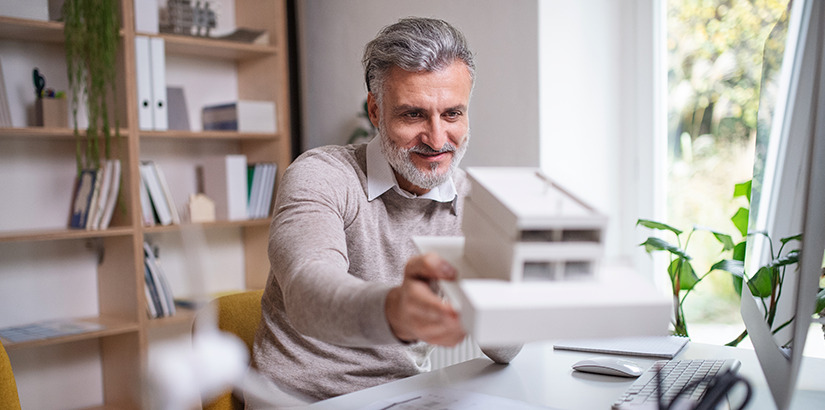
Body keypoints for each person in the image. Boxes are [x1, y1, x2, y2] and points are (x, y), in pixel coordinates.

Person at [249, 17, 522, 407]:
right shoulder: (322, 175)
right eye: (413, 114)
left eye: (452, 114)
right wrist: (394, 309)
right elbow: (307, 291)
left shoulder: (477, 203)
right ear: (375, 111)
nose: (437, 139)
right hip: (300, 402)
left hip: (402, 398)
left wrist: (513, 274)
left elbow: (506, 351)